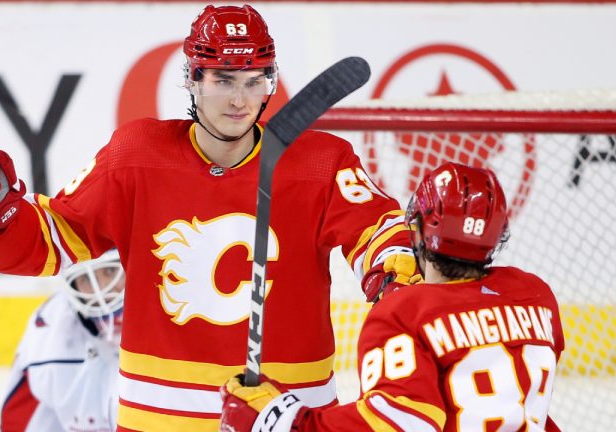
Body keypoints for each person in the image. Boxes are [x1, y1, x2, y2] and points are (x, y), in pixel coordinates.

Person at [0, 5, 420, 431]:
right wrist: (1, 207)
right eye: (223, 79)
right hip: (156, 419)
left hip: (285, 415)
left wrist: (393, 281)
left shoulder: (319, 160)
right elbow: (52, 243)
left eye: (255, 80)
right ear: (192, 78)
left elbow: (377, 229)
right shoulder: (135, 155)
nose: (240, 100)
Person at [220, 162, 565, 432]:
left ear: (414, 229)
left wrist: (282, 421)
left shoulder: (402, 314)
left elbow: (398, 424)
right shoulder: (535, 295)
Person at [0, 249, 124, 432]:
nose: (103, 291)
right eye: (87, 279)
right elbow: (20, 422)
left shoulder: (177, 310)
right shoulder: (49, 337)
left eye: (110, 271)